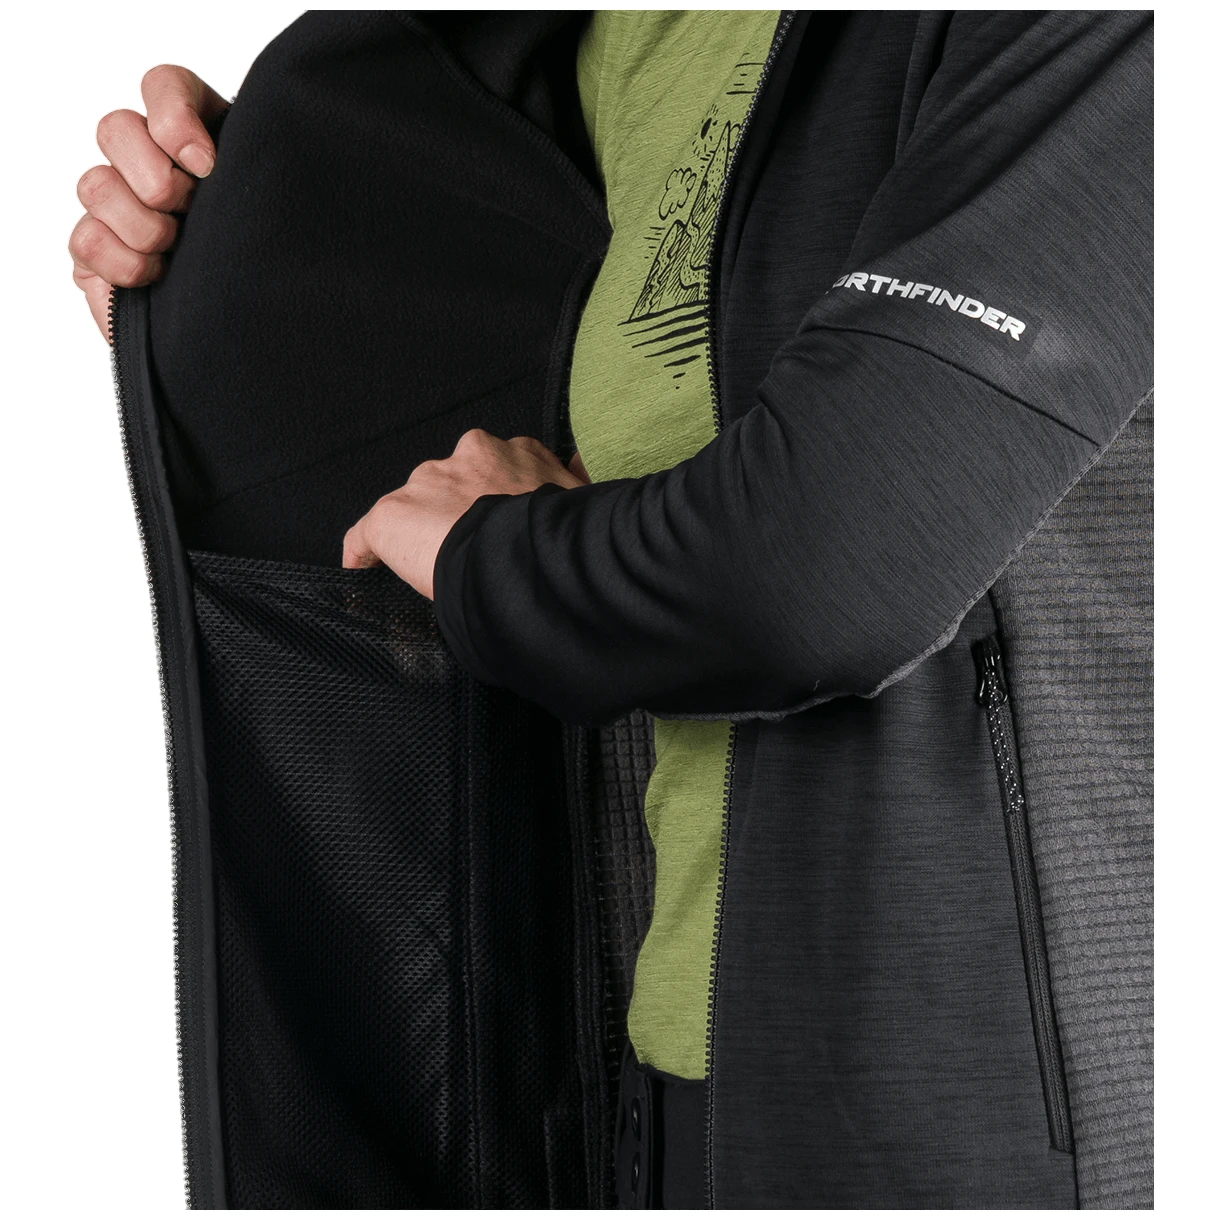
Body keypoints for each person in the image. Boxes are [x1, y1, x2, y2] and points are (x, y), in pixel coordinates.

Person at [70, 10, 1152, 1210]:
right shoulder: (572, 43)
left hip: (989, 1120)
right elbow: (446, 596)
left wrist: (493, 549)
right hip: (650, 1103)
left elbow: (818, 571)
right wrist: (230, 277)